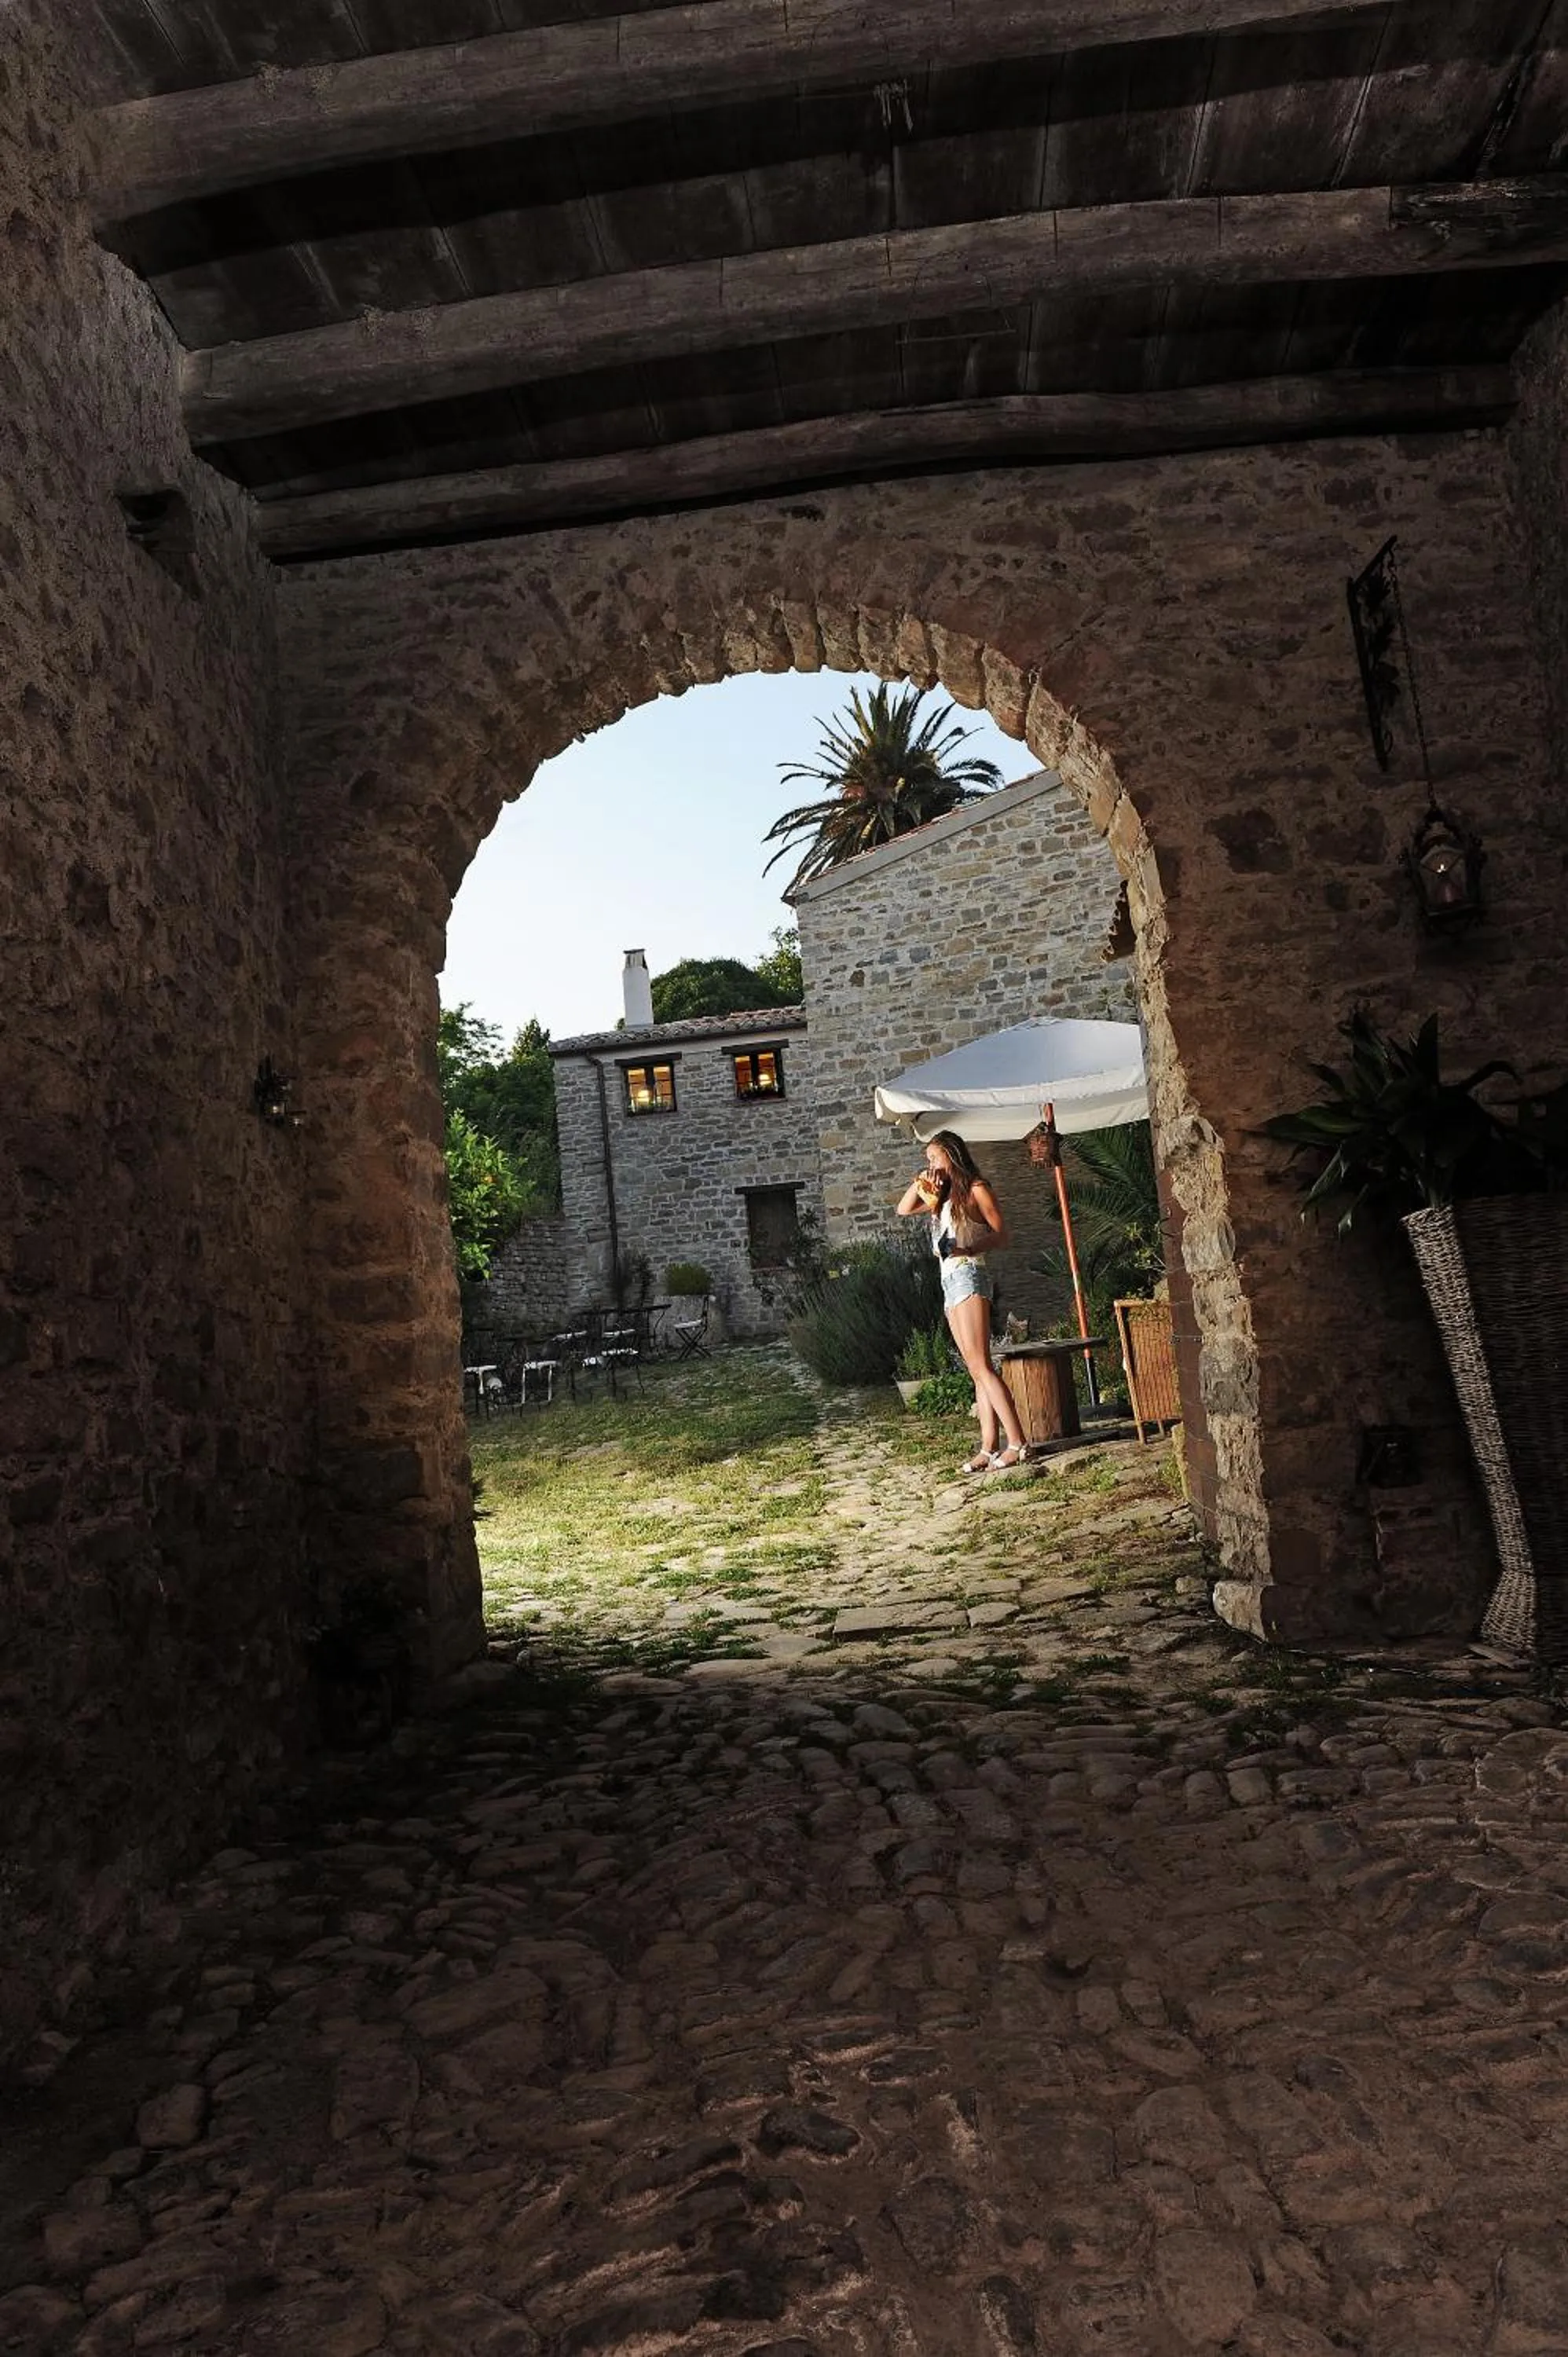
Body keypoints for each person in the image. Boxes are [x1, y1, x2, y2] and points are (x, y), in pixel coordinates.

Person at [896, 1131, 1029, 1473]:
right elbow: (903, 1208)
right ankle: (988, 1447)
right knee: (974, 1369)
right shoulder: (938, 1196)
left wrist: (969, 1249)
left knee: (982, 1365)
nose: (931, 1165)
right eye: (927, 1159)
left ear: (952, 1157)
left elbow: (1002, 1234)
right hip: (948, 1280)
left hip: (970, 1272)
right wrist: (921, 1179)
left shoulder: (976, 1190)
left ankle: (1017, 1442)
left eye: (935, 1158)